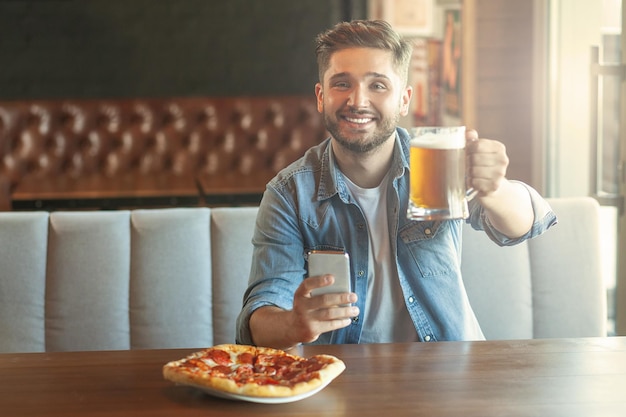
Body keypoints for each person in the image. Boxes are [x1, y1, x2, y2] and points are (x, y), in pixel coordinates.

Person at [236, 20, 556, 350]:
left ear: (404, 100)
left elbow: (527, 224)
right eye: (342, 83)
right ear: (321, 97)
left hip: (448, 369)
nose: (357, 101)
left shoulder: (438, 159)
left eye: (377, 85)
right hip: (340, 377)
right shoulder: (290, 193)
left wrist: (495, 188)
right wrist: (293, 324)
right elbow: (257, 321)